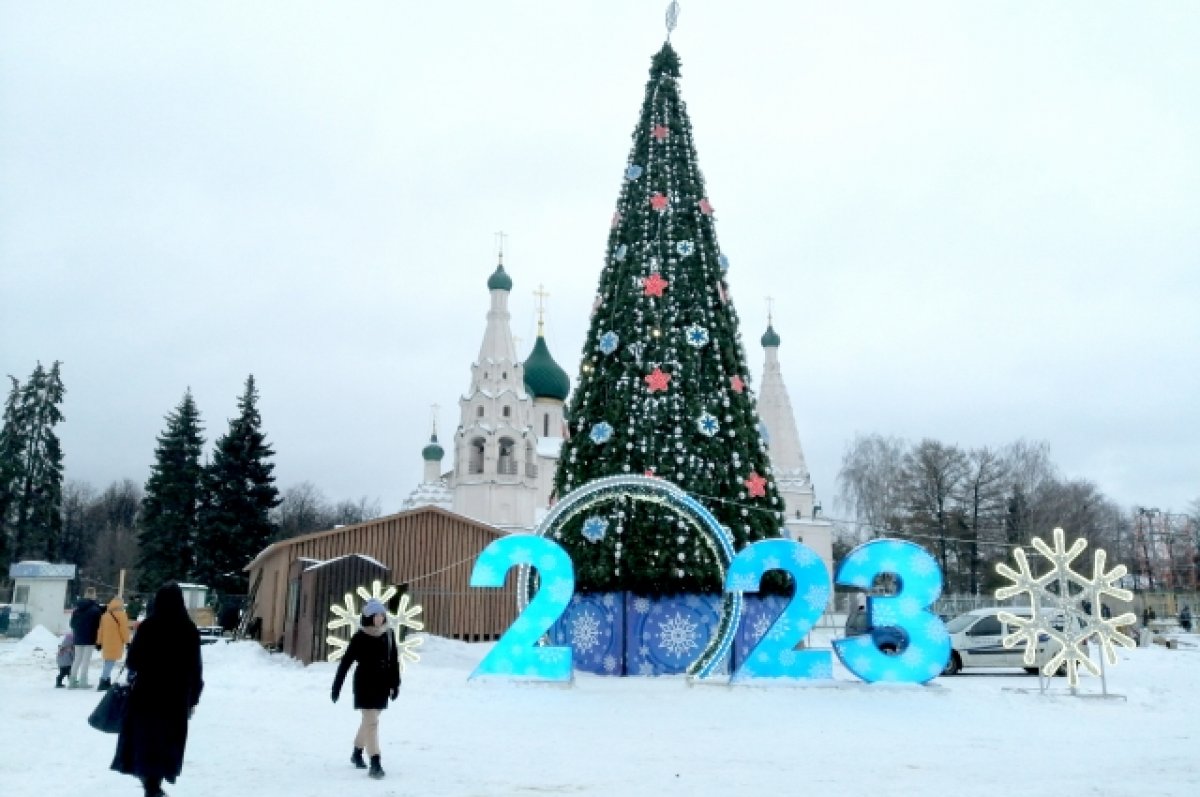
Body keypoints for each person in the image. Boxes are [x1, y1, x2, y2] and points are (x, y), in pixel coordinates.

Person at [111, 582, 204, 797]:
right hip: (176, 696)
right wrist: (194, 697)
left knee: (146, 737)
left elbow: (133, 661)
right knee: (167, 739)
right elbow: (195, 667)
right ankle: (157, 781)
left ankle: (149, 783)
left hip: (146, 694)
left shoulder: (148, 627)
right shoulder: (188, 629)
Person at [331, 599, 400, 780]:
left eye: (382, 615)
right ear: (368, 617)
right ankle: (375, 762)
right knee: (372, 722)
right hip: (364, 684)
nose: (379, 618)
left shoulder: (389, 635)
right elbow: (346, 663)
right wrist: (336, 686)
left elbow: (394, 662)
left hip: (382, 685)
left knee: (370, 721)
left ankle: (356, 751)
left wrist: (395, 684)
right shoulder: (360, 637)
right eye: (375, 615)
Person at [69, 588, 104, 688]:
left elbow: (72, 624)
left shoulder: (77, 609)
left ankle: (72, 681)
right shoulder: (95, 610)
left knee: (77, 659)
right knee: (86, 660)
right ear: (94, 595)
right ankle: (83, 681)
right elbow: (98, 625)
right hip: (90, 637)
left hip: (78, 637)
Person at [96, 596, 132, 691]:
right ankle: (103, 681)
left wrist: (99, 642)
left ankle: (106, 680)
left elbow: (101, 630)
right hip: (116, 642)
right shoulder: (121, 615)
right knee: (110, 662)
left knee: (108, 661)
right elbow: (124, 630)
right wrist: (127, 641)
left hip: (107, 642)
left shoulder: (105, 615)